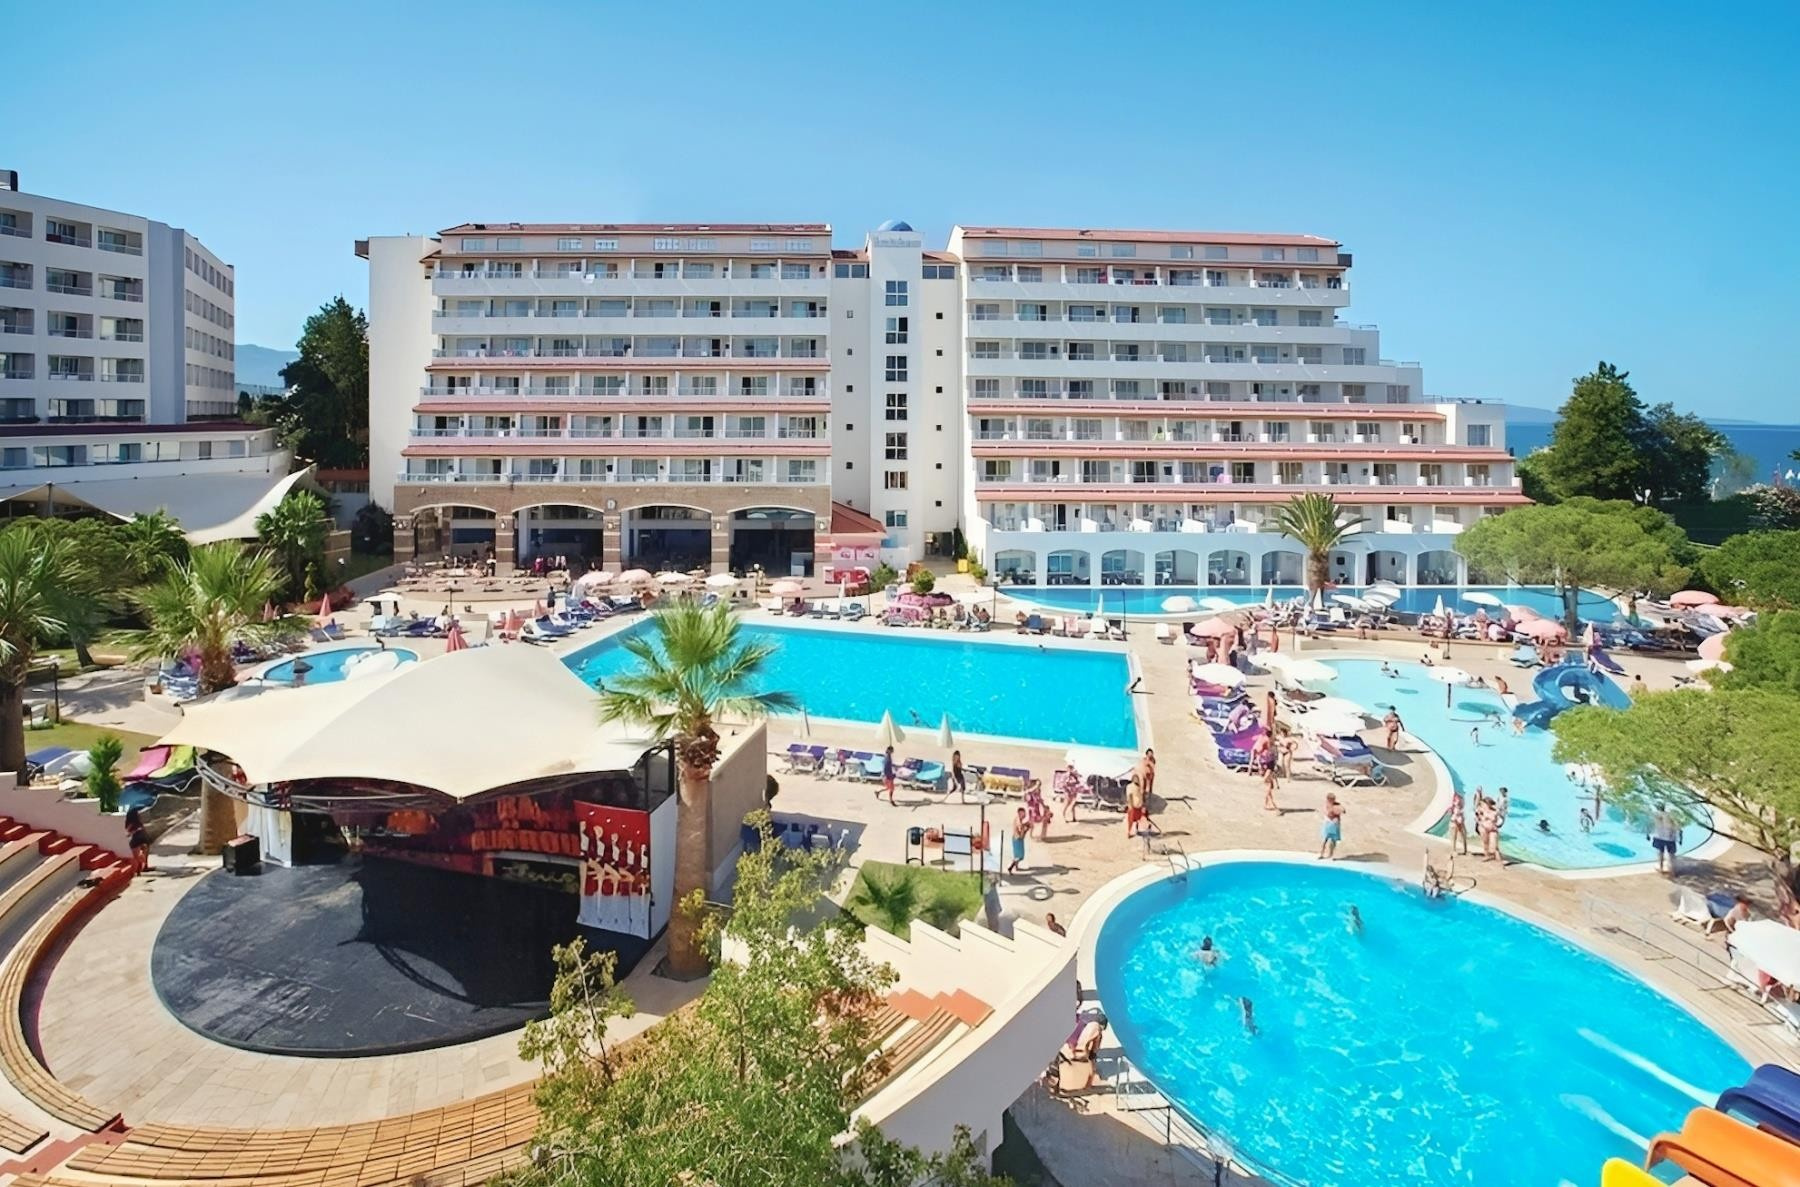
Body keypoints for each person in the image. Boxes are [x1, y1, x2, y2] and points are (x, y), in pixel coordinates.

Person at [1648, 803, 1682, 876]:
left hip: (1659, 837)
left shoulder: (1655, 815)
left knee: (1660, 853)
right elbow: (1678, 827)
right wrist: (1680, 838)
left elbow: (1650, 825)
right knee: (1671, 855)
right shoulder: (1670, 816)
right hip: (1670, 838)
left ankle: (1661, 868)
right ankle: (1672, 871)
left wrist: (1647, 834)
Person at [124, 804, 151, 873]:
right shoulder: (135, 817)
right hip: (140, 835)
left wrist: (128, 834)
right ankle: (144, 866)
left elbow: (128, 829)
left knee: (136, 851)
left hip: (137, 836)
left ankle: (140, 867)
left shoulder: (130, 816)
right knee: (144, 848)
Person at [1319, 792, 1345, 859]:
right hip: (1328, 823)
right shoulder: (1327, 805)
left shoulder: (1337, 804)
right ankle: (1321, 853)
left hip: (1335, 824)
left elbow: (1343, 811)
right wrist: (1335, 811)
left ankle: (1331, 854)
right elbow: (1329, 813)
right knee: (1325, 839)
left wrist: (1336, 810)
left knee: (1333, 840)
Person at [1007, 807, 1030, 874]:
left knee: (1017, 855)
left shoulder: (1018, 819)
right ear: (1020, 813)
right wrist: (1027, 828)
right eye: (1023, 813)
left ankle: (1016, 867)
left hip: (1016, 838)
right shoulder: (1018, 821)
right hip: (1018, 839)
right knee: (1020, 856)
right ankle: (1010, 867)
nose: (1025, 815)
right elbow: (1021, 831)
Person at [1448, 788, 1470, 855]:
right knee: (1454, 836)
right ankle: (1454, 850)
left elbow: (1461, 807)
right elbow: (1450, 812)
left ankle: (1464, 850)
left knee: (1463, 835)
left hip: (1459, 820)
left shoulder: (1460, 804)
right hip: (1455, 820)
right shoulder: (1454, 805)